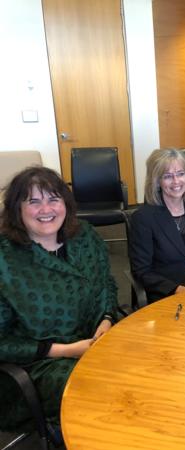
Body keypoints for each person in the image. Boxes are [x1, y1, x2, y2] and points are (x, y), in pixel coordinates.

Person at [0, 166, 118, 433]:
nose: (46, 209)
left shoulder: (84, 236)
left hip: (98, 339)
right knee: (98, 393)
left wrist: (107, 318)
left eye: (53, 199)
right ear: (16, 209)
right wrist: (66, 350)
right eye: (34, 201)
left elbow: (107, 284)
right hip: (39, 365)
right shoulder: (5, 260)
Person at [129, 149, 185, 303]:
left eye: (180, 174)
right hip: (166, 294)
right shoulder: (143, 218)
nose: (176, 181)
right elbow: (142, 271)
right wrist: (177, 289)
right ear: (157, 181)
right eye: (168, 176)